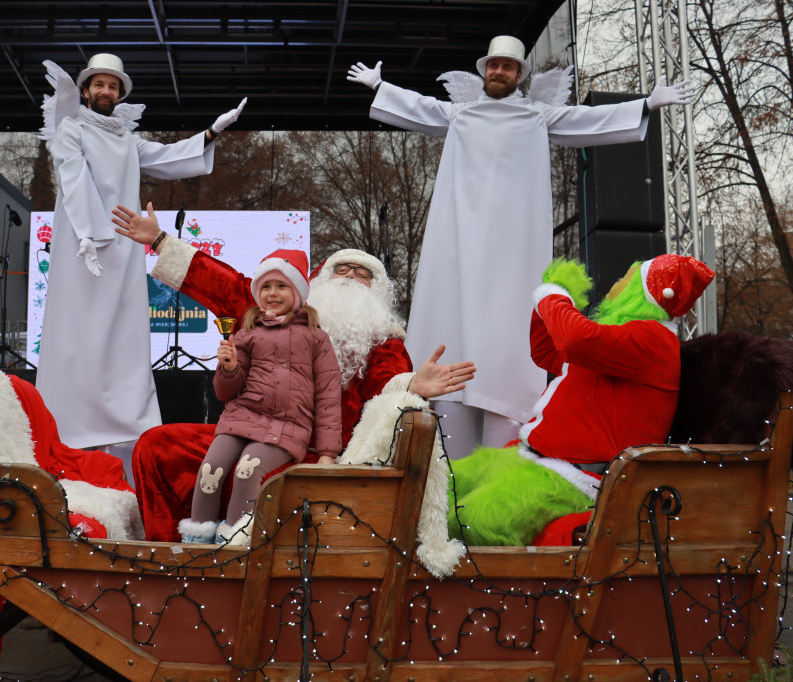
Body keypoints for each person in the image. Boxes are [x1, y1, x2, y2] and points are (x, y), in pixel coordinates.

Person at [347, 36, 695, 459]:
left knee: (508, 325)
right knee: (452, 313)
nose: (498, 72)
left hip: (514, 241)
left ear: (519, 76)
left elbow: (587, 119)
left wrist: (645, 105)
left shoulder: (537, 116)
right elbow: (420, 107)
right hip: (458, 234)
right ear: (485, 70)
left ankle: (505, 421)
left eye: (507, 67)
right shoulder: (461, 114)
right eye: (493, 65)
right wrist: (380, 87)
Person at [110, 203, 476, 541]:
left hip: (320, 451)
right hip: (249, 430)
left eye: (363, 274)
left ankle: (234, 545)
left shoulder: (383, 339)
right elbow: (220, 282)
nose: (350, 277)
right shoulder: (272, 309)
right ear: (315, 281)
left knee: (251, 470)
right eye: (341, 269)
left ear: (377, 292)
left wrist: (413, 384)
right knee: (157, 446)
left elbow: (386, 381)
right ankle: (174, 552)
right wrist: (159, 240)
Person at [35, 53, 247, 457]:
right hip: (84, 245)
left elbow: (167, 157)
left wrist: (210, 134)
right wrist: (87, 236)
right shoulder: (72, 130)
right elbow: (74, 180)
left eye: (113, 86)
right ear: (85, 90)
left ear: (119, 94)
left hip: (125, 247)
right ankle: (66, 424)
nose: (106, 91)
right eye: (99, 84)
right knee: (78, 328)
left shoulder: (127, 140)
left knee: (124, 333)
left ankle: (128, 423)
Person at [446, 254, 715, 546]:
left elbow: (575, 340)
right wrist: (549, 298)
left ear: (642, 292)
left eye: (625, 280)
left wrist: (555, 296)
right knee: (443, 481)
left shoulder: (652, 340)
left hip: (573, 479)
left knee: (468, 519)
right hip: (535, 460)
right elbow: (548, 353)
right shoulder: (624, 339)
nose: (615, 286)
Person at [177, 249, 342, 544]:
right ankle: (195, 544)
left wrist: (328, 453)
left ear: (298, 292)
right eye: (265, 286)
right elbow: (224, 392)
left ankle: (233, 544)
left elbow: (329, 395)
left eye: (281, 286)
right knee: (209, 471)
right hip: (240, 420)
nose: (272, 293)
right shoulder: (246, 332)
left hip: (286, 427)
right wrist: (228, 368)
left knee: (246, 470)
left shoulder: (317, 338)